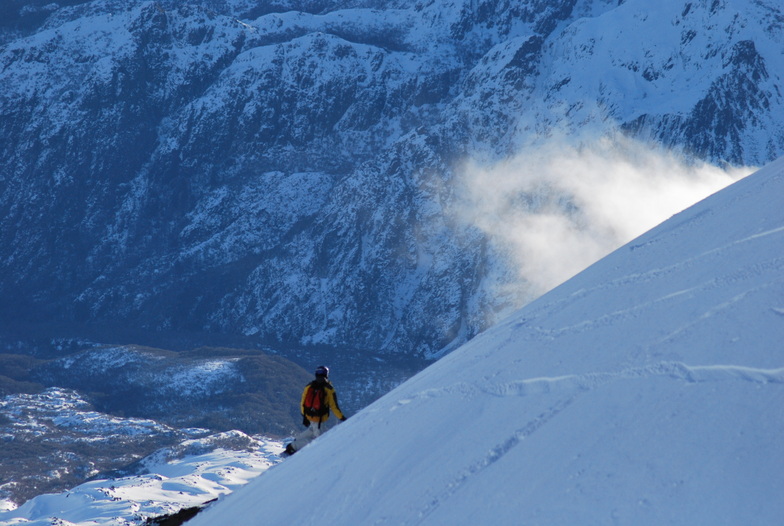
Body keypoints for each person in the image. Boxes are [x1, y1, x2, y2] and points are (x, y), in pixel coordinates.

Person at [284, 365, 347, 455]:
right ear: (327, 374)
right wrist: (342, 418)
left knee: (312, 430)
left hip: (309, 416)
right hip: (319, 419)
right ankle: (294, 446)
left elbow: (303, 402)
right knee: (317, 441)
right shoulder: (329, 389)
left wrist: (304, 416)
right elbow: (334, 407)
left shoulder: (309, 386)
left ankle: (297, 440)